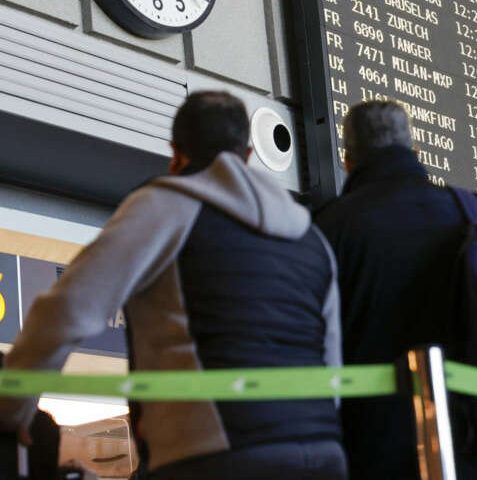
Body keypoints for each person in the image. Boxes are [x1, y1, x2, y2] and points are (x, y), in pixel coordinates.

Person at [0, 91, 346, 480]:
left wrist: (13, 410)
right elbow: (330, 359)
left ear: (176, 154)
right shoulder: (312, 240)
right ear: (248, 154)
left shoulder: (165, 207)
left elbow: (68, 311)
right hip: (323, 454)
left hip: (215, 455)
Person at [316, 100, 477, 479]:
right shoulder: (475, 213)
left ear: (348, 161)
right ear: (415, 153)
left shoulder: (331, 226)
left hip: (379, 450)